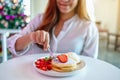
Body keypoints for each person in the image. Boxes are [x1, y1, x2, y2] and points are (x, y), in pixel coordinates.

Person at [7, 0, 99, 58]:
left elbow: (89, 64)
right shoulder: (39, 19)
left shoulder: (88, 28)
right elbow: (13, 46)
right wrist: (31, 37)